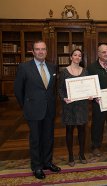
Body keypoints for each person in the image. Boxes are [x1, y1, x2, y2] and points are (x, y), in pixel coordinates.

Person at [14, 40, 61, 179]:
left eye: (43, 49)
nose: (40, 51)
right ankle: (37, 166)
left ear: (46, 51)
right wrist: (26, 106)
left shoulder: (52, 67)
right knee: (35, 139)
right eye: (37, 49)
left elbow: (53, 88)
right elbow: (18, 90)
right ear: (33, 52)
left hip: (50, 109)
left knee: (48, 138)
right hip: (33, 110)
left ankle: (47, 162)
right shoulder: (24, 67)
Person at [58, 49, 91, 167]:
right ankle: (71, 156)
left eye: (79, 55)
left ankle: (82, 154)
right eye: (75, 55)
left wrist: (90, 94)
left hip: (82, 105)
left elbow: (88, 87)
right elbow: (60, 89)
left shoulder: (85, 71)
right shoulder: (64, 72)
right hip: (69, 106)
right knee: (69, 131)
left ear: (81, 58)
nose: (77, 57)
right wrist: (64, 98)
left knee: (82, 130)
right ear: (71, 57)